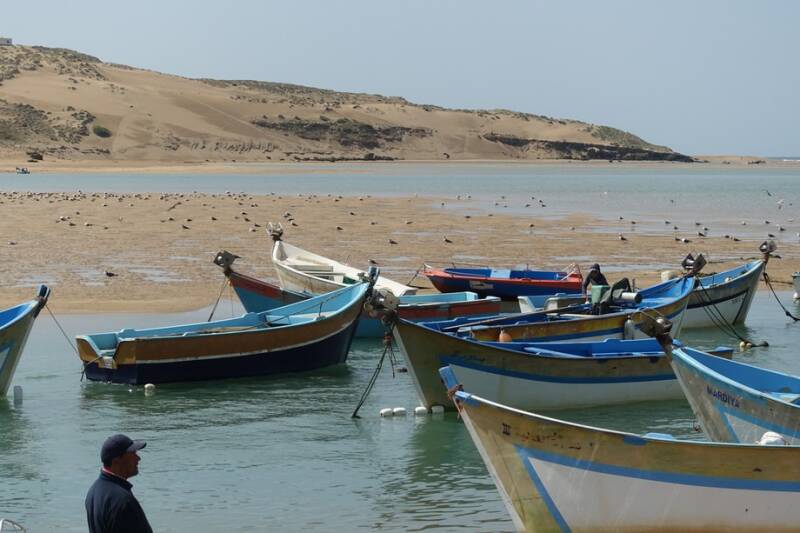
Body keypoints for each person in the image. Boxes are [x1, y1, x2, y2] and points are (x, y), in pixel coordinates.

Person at [85, 434, 153, 533]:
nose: (138, 458)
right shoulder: (123, 500)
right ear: (116, 461)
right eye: (132, 454)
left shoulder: (93, 491)